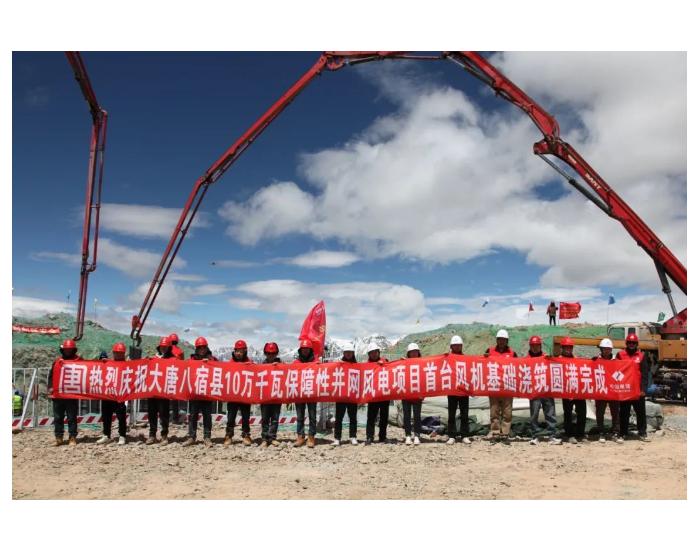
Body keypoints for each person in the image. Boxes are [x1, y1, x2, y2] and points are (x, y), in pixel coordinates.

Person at [484, 329, 517, 443]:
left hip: (507, 387)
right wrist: (485, 358)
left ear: (507, 340)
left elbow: (519, 367)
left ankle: (505, 434)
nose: (502, 341)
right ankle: (495, 433)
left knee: (507, 413)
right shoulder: (490, 351)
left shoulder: (512, 353)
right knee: (494, 412)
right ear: (497, 340)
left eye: (504, 340)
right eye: (500, 339)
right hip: (494, 386)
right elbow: (482, 365)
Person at [528, 335, 561, 445]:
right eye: (533, 346)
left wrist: (551, 359)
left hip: (547, 390)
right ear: (530, 346)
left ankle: (552, 435)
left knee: (550, 413)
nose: (535, 348)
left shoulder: (546, 357)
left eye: (537, 346)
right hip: (534, 391)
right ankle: (534, 435)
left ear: (540, 346)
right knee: (534, 414)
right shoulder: (526, 360)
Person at [617, 334, 651, 442]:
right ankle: (623, 433)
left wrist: (643, 390)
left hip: (637, 391)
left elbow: (645, 374)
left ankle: (642, 433)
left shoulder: (641, 356)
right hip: (625, 389)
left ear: (637, 344)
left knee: (640, 412)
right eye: (630, 343)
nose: (632, 345)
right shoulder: (620, 354)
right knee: (624, 412)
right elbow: (615, 370)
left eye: (634, 343)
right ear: (626, 343)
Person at [48, 339, 81, 446]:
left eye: (70, 349)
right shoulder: (57, 361)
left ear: (73, 349)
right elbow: (51, 376)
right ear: (63, 350)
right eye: (66, 349)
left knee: (72, 417)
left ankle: (72, 437)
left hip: (71, 395)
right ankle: (58, 437)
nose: (68, 351)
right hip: (58, 395)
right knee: (58, 417)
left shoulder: (79, 361)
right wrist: (50, 387)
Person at [183, 337, 214, 447]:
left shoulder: (213, 359)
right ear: (196, 349)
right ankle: (191, 437)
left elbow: (221, 369)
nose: (202, 350)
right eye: (200, 348)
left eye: (204, 347)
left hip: (207, 393)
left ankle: (207, 437)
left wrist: (209, 363)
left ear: (207, 348)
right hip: (195, 393)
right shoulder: (191, 361)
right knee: (193, 415)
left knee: (207, 415)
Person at [97, 342, 129, 446]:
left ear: (123, 353)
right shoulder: (108, 363)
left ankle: (122, 435)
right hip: (107, 394)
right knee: (106, 416)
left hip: (120, 395)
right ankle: (106, 435)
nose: (118, 355)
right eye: (116, 353)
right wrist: (103, 363)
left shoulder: (128, 365)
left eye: (120, 353)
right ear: (113, 353)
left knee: (121, 417)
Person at [592, 338, 623, 444]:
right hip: (601, 390)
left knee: (615, 413)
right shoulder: (595, 360)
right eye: (604, 348)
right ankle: (601, 432)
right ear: (601, 349)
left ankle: (616, 433)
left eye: (608, 349)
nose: (606, 351)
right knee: (600, 413)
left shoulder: (616, 361)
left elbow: (620, 374)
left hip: (613, 391)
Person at [224, 340, 253, 446]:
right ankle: (228, 436)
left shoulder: (250, 363)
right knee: (231, 417)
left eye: (241, 351)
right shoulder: (230, 363)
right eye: (237, 351)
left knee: (246, 417)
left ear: (245, 351)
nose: (239, 353)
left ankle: (246, 435)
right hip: (233, 395)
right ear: (234, 351)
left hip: (245, 394)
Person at [559, 337, 587, 443]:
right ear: (562, 348)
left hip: (577, 390)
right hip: (566, 391)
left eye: (569, 348)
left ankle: (581, 434)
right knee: (568, 413)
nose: (568, 350)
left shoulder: (576, 359)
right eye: (566, 348)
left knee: (582, 412)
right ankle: (569, 434)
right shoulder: (558, 360)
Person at [293, 340, 320, 448]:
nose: (305, 350)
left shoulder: (316, 362)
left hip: (311, 392)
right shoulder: (296, 363)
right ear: (300, 350)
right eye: (303, 349)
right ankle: (300, 436)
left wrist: (320, 365)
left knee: (312, 416)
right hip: (299, 393)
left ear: (310, 350)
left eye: (307, 349)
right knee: (300, 416)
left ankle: (311, 436)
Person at [147, 337, 173, 446]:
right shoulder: (154, 358)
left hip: (163, 391)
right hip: (153, 390)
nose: (163, 348)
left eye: (165, 346)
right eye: (162, 346)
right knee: (152, 414)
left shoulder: (172, 359)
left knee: (164, 414)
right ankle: (152, 435)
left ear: (169, 347)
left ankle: (164, 435)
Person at [445, 335, 470, 445]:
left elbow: (471, 373)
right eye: (455, 345)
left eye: (459, 345)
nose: (457, 347)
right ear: (451, 346)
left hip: (464, 390)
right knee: (451, 414)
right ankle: (452, 435)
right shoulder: (447, 358)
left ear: (461, 346)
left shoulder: (466, 359)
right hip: (452, 390)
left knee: (464, 414)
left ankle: (464, 435)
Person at [333, 343, 359, 446]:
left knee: (353, 417)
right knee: (339, 417)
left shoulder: (358, 366)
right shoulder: (339, 364)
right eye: (346, 352)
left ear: (353, 353)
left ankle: (353, 436)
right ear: (344, 353)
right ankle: (337, 438)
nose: (348, 354)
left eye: (350, 352)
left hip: (352, 395)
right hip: (341, 395)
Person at [365, 342, 391, 444]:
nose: (373, 354)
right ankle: (369, 437)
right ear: (369, 354)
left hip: (384, 394)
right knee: (371, 416)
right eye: (371, 353)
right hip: (373, 395)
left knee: (384, 417)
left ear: (378, 352)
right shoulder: (366, 366)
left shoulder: (385, 361)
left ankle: (382, 437)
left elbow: (392, 370)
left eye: (375, 352)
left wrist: (383, 365)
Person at [260, 343, 282, 448]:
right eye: (269, 353)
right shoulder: (261, 366)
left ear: (276, 353)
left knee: (275, 418)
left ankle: (272, 437)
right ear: (265, 353)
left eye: (273, 353)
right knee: (265, 418)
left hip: (276, 396)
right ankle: (264, 438)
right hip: (265, 396)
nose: (271, 355)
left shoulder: (282, 365)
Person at [402, 343, 423, 445]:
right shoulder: (403, 363)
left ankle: (417, 435)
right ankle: (408, 435)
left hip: (418, 394)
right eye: (412, 352)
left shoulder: (423, 363)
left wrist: (424, 393)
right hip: (406, 394)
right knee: (406, 416)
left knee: (417, 416)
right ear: (408, 353)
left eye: (416, 351)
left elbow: (425, 379)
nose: (414, 353)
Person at [169, 332, 185, 425]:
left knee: (165, 398)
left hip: (167, 376)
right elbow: (183, 363)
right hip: (176, 376)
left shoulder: (167, 351)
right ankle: (175, 418)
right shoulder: (180, 351)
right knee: (175, 399)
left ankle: (165, 418)